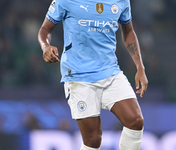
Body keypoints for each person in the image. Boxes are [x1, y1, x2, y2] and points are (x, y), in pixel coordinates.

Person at [38, 0, 148, 149]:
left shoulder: (122, 1)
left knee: (135, 121)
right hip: (78, 75)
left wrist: (140, 66)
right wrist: (45, 46)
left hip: (110, 71)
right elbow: (45, 29)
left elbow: (128, 31)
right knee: (93, 140)